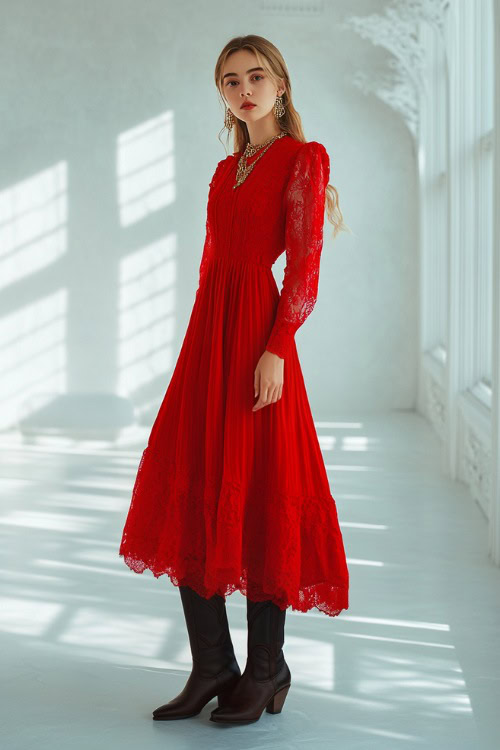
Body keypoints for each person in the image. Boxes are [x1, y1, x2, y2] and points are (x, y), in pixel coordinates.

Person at [118, 34, 350, 725]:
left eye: (255, 76)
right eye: (229, 81)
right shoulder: (225, 172)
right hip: (208, 344)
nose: (243, 89)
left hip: (257, 342)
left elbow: (304, 269)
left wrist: (277, 347)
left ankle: (267, 668)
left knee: (261, 490)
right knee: (191, 484)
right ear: (221, 93)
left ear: (281, 86)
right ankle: (213, 665)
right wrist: (195, 354)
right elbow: (209, 267)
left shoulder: (302, 159)